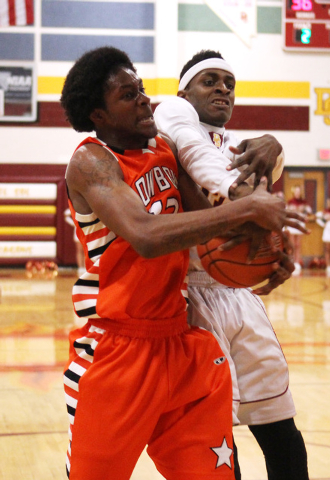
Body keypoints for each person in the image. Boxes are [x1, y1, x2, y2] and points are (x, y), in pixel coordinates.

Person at [60, 46, 301, 480]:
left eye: (143, 90)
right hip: (116, 350)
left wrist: (268, 253)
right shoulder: (91, 161)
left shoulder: (165, 152)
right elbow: (147, 237)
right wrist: (246, 212)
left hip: (182, 342)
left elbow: (214, 226)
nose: (145, 101)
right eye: (129, 96)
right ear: (98, 114)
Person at [154, 50, 310, 480]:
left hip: (240, 296)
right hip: (190, 298)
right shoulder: (172, 118)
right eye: (210, 80)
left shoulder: (245, 147)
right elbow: (199, 160)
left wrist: (272, 253)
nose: (223, 88)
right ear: (184, 91)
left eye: (229, 82)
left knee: (281, 426)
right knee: (218, 436)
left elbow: (259, 215)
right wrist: (246, 195)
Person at [286, 185, 312, 276]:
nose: (297, 193)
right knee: (292, 244)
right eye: (296, 191)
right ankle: (292, 262)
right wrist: (291, 209)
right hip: (293, 224)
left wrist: (304, 209)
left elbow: (310, 211)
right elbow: (286, 211)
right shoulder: (290, 202)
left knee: (298, 244)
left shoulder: (304, 202)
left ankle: (297, 262)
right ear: (294, 192)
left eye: (298, 191)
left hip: (300, 224)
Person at [64, 207, 86, 274]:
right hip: (77, 231)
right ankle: (80, 267)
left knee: (85, 250)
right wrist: (73, 224)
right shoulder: (75, 207)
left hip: (85, 231)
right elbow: (66, 214)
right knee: (79, 250)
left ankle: (86, 267)